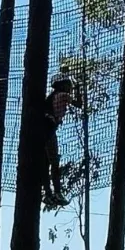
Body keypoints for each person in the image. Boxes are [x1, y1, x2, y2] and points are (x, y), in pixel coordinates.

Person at [43, 72, 81, 207]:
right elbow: (79, 104)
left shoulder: (50, 97)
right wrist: (78, 88)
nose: (69, 87)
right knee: (54, 162)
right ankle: (57, 192)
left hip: (44, 130)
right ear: (62, 85)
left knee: (45, 164)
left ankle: (48, 194)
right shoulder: (63, 95)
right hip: (48, 130)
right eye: (68, 85)